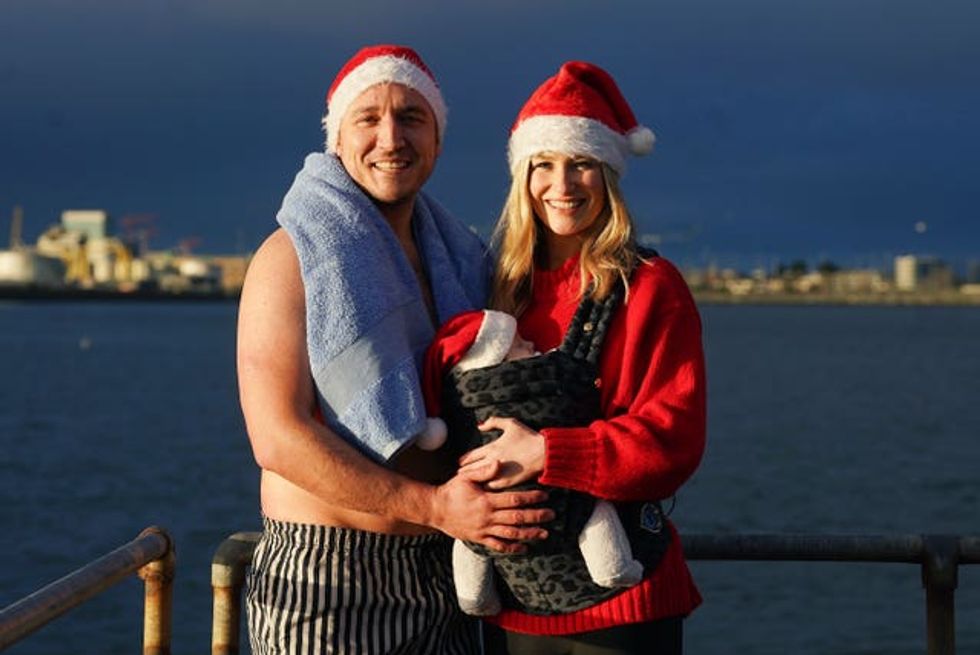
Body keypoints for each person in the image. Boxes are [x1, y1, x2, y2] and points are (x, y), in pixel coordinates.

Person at [236, 44, 554, 655]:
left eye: (411, 117)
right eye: (369, 117)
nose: (391, 137)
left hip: (447, 568)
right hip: (327, 581)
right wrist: (434, 506)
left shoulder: (461, 262)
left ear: (436, 139)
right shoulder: (290, 258)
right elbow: (276, 437)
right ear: (337, 137)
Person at [465, 61, 707, 654]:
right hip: (516, 600)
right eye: (543, 165)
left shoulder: (649, 286)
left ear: (608, 174)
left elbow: (672, 439)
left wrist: (547, 452)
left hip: (625, 603)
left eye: (581, 164)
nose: (562, 184)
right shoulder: (497, 289)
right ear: (522, 177)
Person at [417, 309, 645, 617]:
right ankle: (613, 567)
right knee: (593, 509)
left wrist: (545, 450)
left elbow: (667, 446)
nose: (532, 344)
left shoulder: (501, 283)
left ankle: (473, 596)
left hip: (514, 601)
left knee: (470, 539)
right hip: (588, 597)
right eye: (520, 343)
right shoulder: (511, 288)